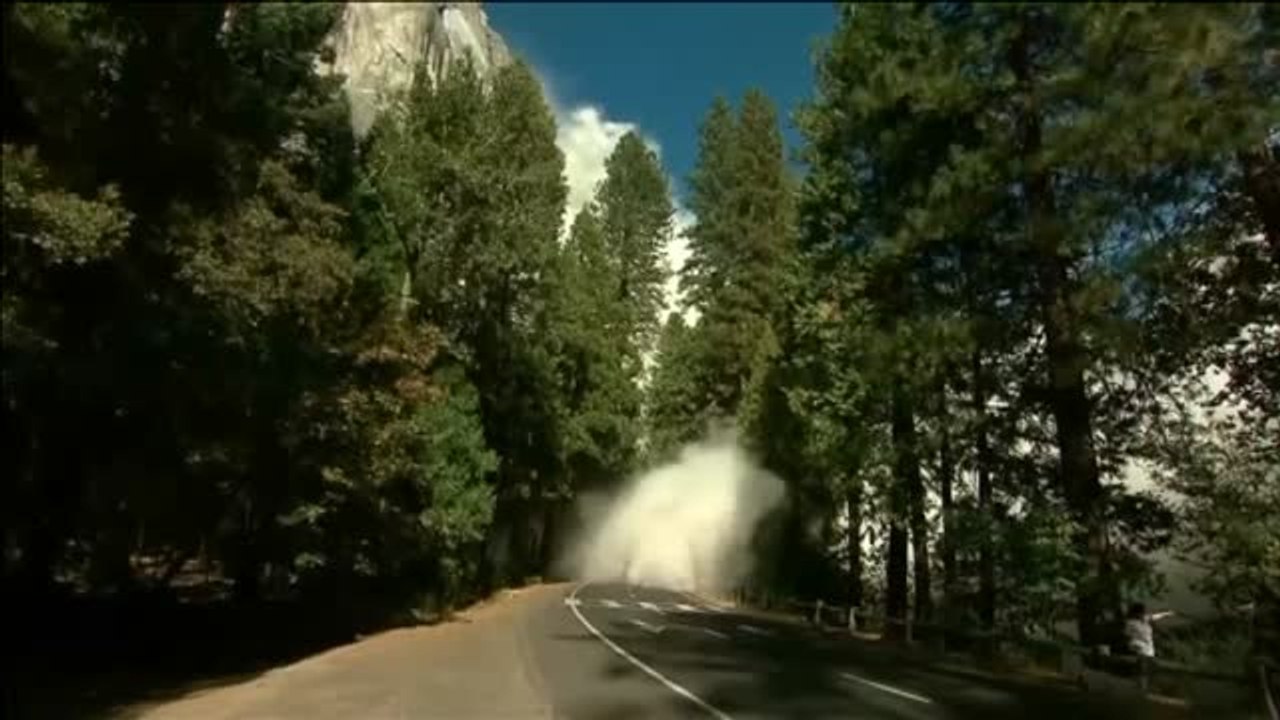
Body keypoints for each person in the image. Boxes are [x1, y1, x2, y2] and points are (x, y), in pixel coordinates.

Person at [1125, 602, 1175, 690]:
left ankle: (1140, 685)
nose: (1144, 614)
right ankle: (1142, 687)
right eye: (1142, 612)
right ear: (1136, 613)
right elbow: (1127, 635)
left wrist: (1167, 613)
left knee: (1147, 668)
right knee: (1143, 668)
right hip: (1139, 647)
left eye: (1143, 612)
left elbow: (1155, 616)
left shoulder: (1145, 619)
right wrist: (1134, 643)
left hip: (1149, 649)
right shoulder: (1131, 623)